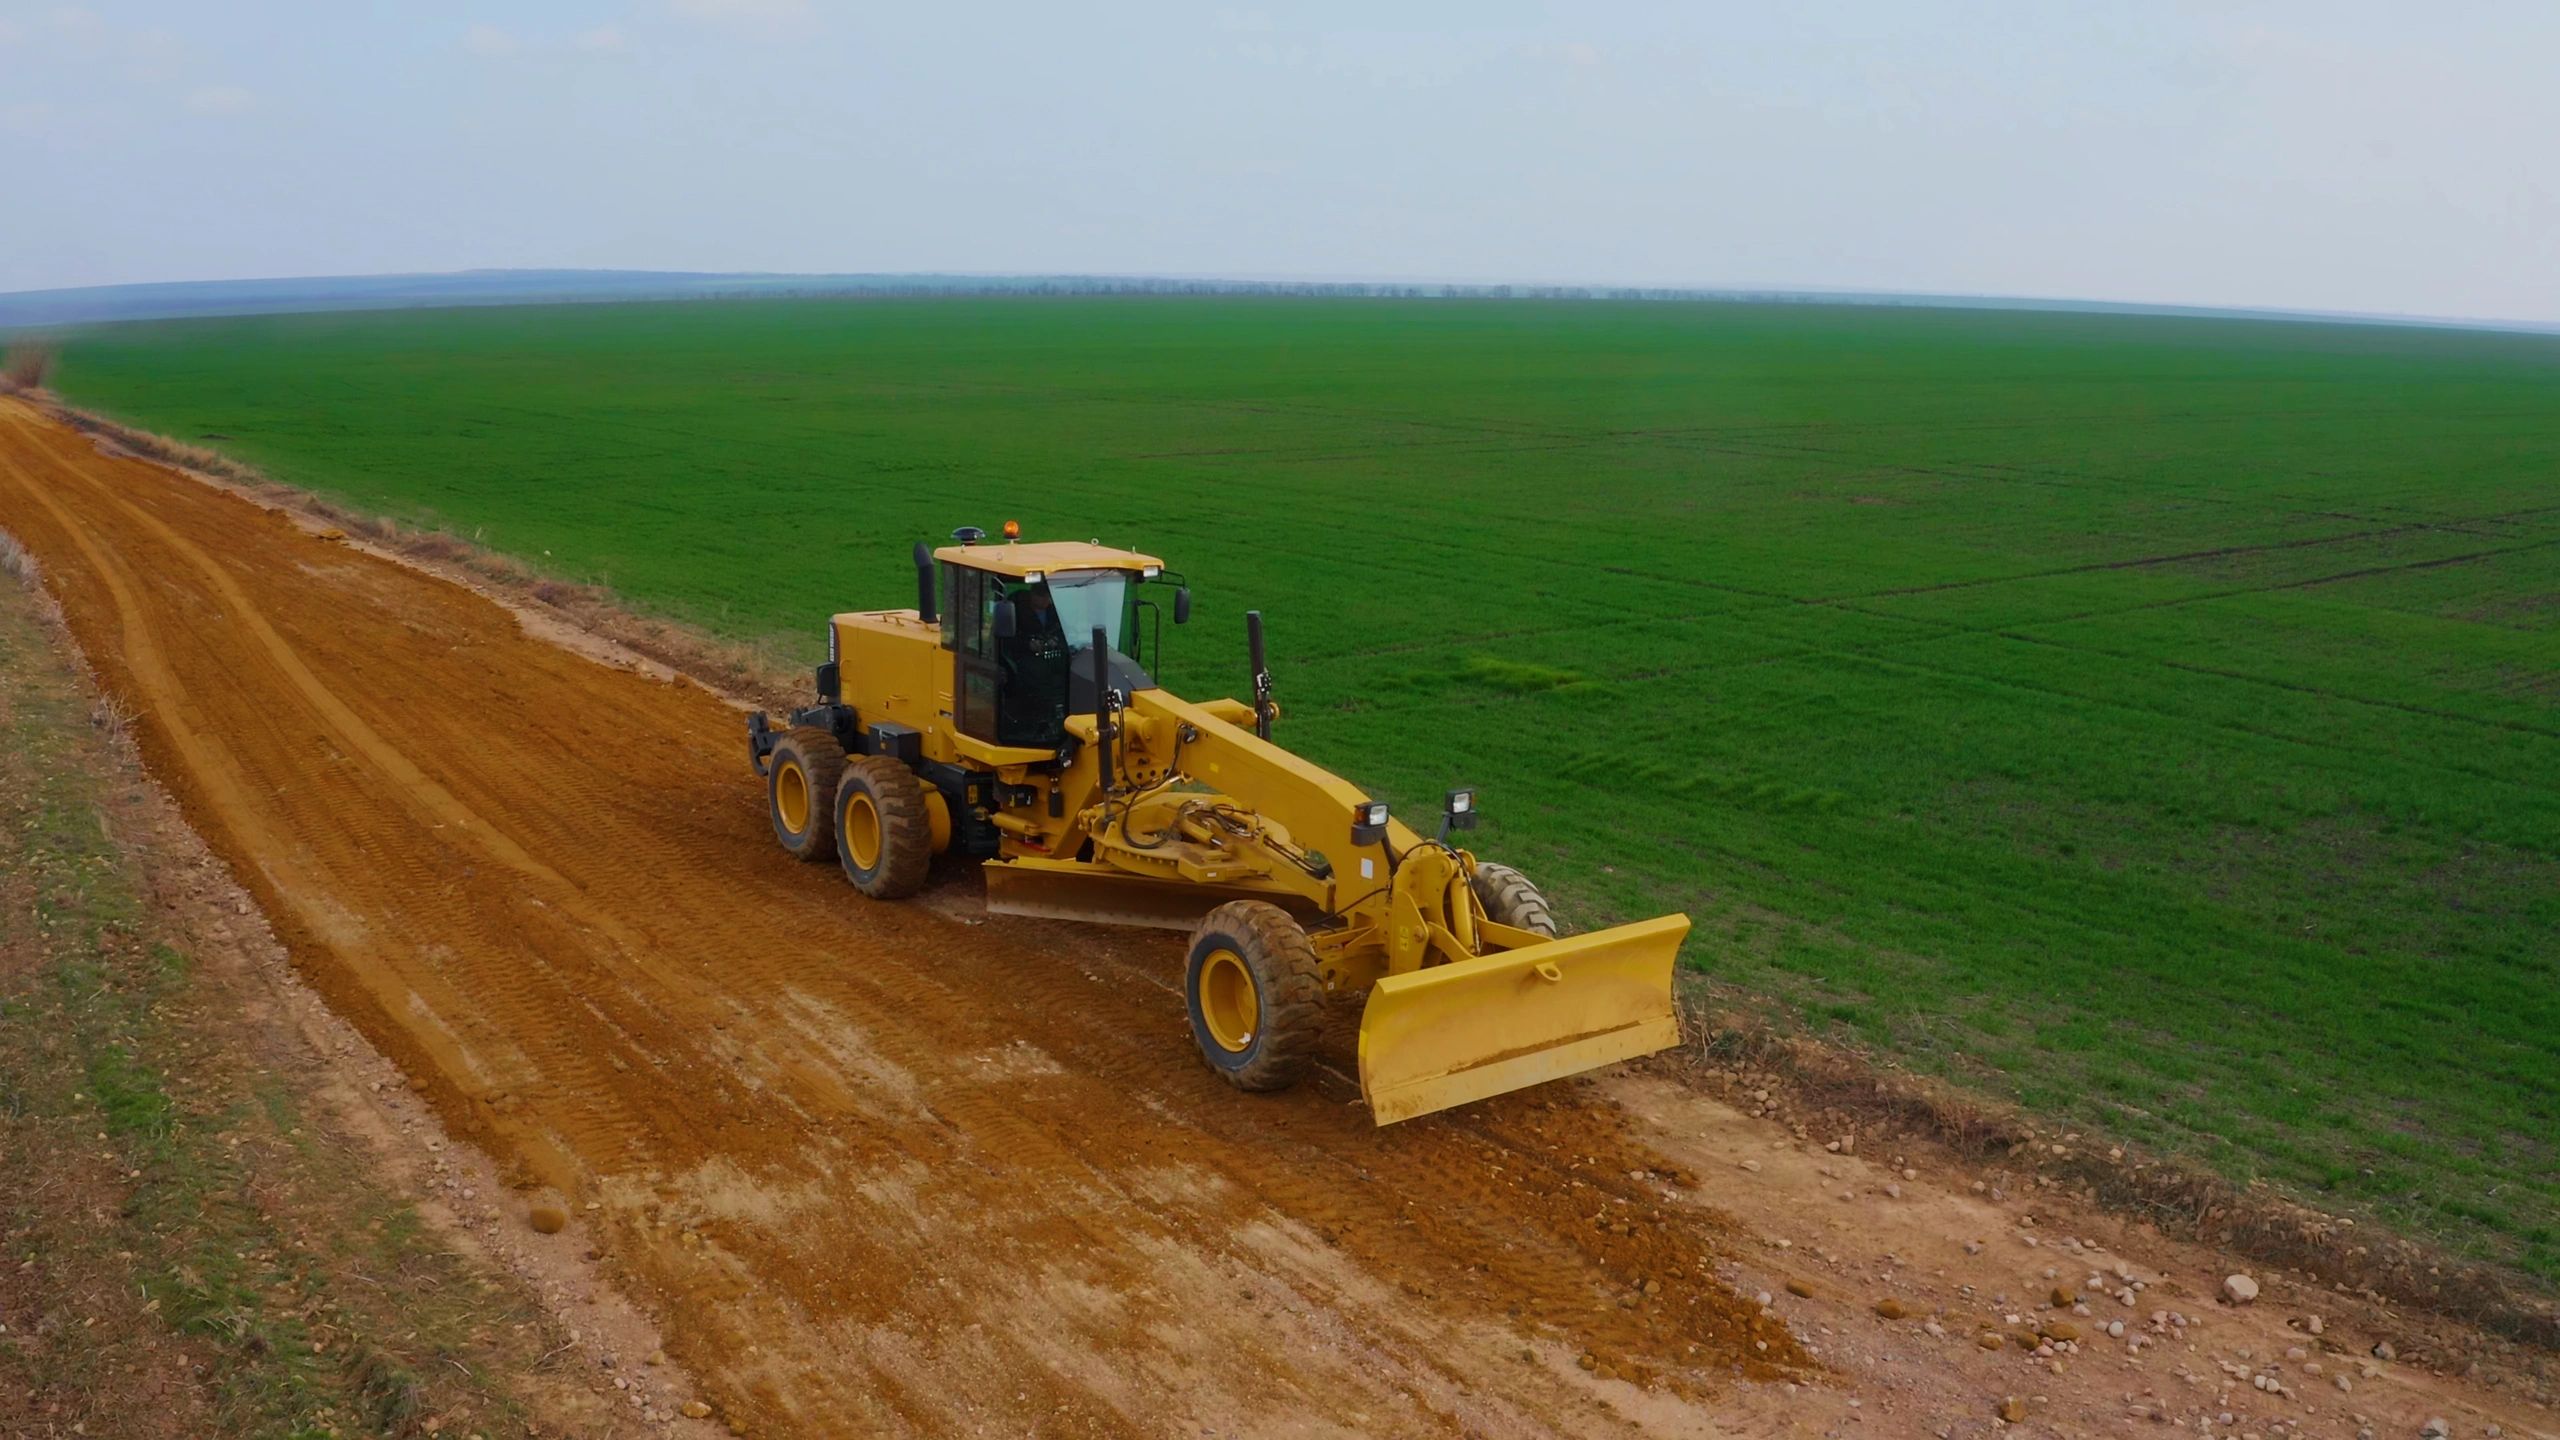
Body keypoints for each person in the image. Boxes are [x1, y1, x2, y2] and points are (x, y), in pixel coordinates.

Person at [997, 583, 1069, 744]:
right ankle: (1038, 720)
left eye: (1049, 598)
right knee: (1038, 676)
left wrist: (1054, 640)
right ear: (1033, 596)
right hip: (1020, 658)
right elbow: (1005, 639)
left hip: (1049, 657)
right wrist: (1028, 644)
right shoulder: (1015, 611)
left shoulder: (1052, 611)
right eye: (1044, 597)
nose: (1048, 602)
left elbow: (1062, 630)